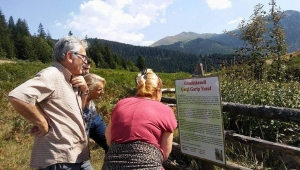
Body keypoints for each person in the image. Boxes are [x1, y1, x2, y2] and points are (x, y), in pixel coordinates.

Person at [8, 36, 93, 170]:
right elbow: (18, 96)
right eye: (83, 57)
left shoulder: (71, 79)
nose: (85, 61)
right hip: (60, 158)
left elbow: (78, 113)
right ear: (70, 56)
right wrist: (42, 122)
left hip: (77, 155)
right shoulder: (53, 74)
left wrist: (85, 91)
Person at [102, 68, 177, 170]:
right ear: (158, 90)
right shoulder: (166, 110)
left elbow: (108, 138)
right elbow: (165, 152)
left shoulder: (120, 104)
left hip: (111, 165)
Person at [83, 73, 109, 153]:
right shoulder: (76, 101)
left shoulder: (90, 100)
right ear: (88, 89)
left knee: (111, 143)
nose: (102, 92)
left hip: (95, 118)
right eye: (99, 89)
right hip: (83, 125)